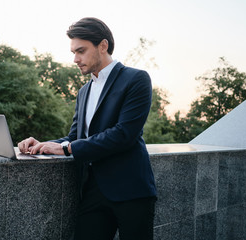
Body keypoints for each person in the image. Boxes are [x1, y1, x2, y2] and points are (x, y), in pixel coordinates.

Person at [18, 17, 157, 240]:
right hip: (92, 191)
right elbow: (75, 137)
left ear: (103, 46)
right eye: (73, 52)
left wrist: (65, 149)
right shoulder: (83, 92)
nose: (75, 59)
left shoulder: (136, 79)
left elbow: (124, 135)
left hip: (131, 191)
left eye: (80, 51)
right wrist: (44, 144)